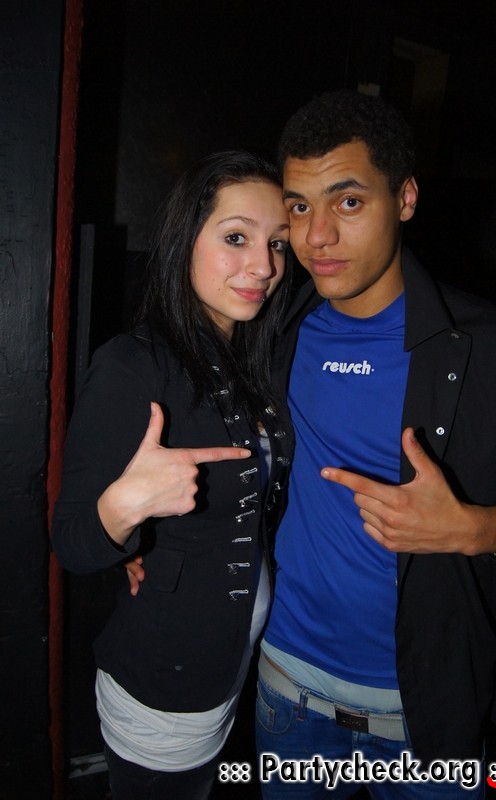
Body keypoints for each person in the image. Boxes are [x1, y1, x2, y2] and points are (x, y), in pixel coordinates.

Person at [252, 90, 496, 799]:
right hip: (287, 693)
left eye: (348, 202)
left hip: (429, 716)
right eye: (299, 206)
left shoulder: (495, 350)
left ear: (404, 198)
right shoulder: (272, 328)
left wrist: (475, 529)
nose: (317, 236)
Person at [51, 150, 294, 800]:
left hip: (236, 660)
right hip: (164, 686)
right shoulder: (133, 366)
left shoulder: (252, 358)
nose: (263, 266)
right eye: (236, 238)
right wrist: (125, 508)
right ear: (186, 238)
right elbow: (71, 541)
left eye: (277, 243)